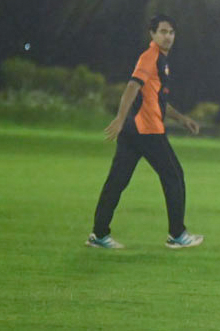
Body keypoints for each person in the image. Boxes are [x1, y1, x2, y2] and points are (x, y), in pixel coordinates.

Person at [85, 14, 204, 249]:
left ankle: (99, 234)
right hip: (147, 130)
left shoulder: (161, 60)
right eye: (163, 32)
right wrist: (119, 119)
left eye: (171, 32)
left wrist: (182, 119)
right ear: (152, 34)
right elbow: (132, 86)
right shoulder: (150, 57)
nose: (168, 36)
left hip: (134, 131)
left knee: (117, 182)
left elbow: (157, 101)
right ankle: (177, 235)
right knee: (174, 176)